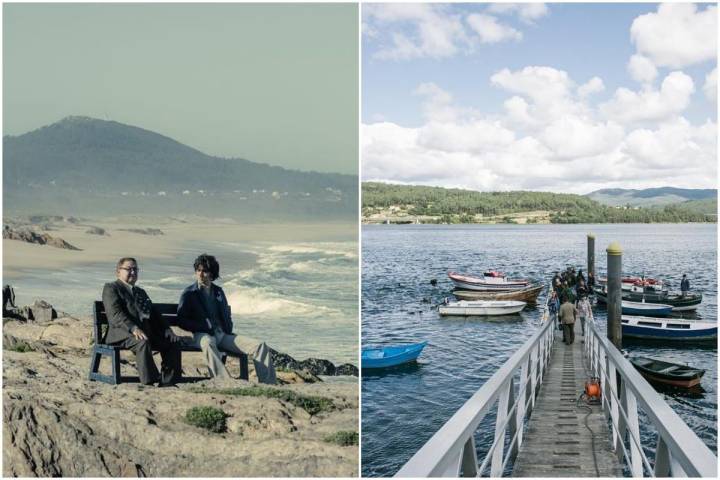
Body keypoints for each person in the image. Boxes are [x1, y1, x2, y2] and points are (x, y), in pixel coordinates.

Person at [177, 253, 276, 384]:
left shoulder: (218, 292)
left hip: (223, 335)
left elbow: (226, 315)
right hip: (202, 335)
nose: (200, 274)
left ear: (212, 273)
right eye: (198, 270)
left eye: (205, 271)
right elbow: (181, 320)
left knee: (260, 346)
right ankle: (225, 382)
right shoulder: (190, 293)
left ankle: (269, 384)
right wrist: (203, 326)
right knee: (208, 344)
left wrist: (227, 328)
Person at [102, 257, 181, 386]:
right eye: (128, 269)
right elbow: (115, 314)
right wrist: (133, 328)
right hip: (121, 333)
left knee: (172, 342)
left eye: (135, 269)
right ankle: (150, 380)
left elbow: (154, 314)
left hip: (144, 332)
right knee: (142, 343)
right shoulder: (111, 288)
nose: (133, 272)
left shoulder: (140, 292)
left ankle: (169, 381)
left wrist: (167, 329)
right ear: (118, 272)